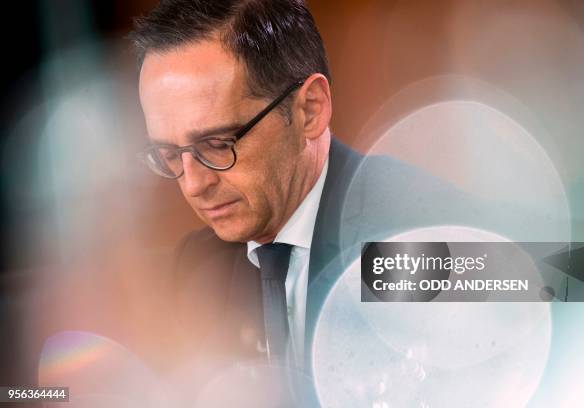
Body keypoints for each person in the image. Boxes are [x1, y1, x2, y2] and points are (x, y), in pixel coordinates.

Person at [129, 0, 535, 397]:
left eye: (217, 144)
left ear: (310, 109)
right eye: (169, 155)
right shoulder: (198, 269)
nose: (193, 183)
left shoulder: (420, 233)